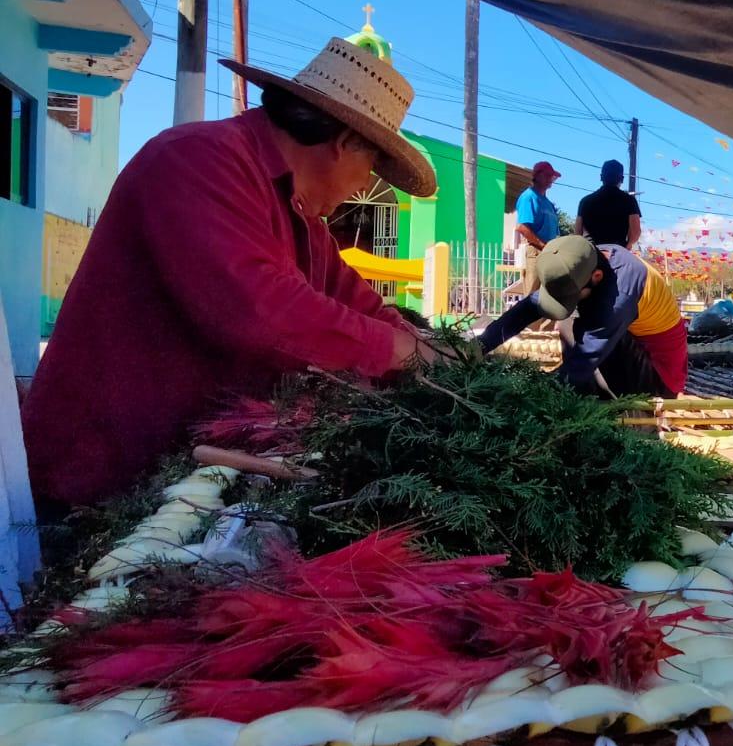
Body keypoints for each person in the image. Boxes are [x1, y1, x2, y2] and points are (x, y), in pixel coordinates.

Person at [22, 38, 440, 508]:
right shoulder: (197, 158)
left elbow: (359, 303)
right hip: (98, 478)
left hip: (180, 479)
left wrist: (434, 354)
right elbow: (262, 311)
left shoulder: (301, 219)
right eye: (372, 167)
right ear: (344, 143)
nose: (367, 185)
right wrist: (401, 350)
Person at [478, 236, 686, 397]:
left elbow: (580, 365)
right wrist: (479, 346)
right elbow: (527, 309)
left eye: (570, 296)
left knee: (574, 327)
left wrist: (532, 394)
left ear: (596, 277)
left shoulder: (618, 298)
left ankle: (603, 398)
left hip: (659, 378)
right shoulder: (586, 259)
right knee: (574, 322)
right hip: (632, 348)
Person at [574, 159, 642, 248]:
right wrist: (628, 245)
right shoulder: (629, 200)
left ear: (601, 177)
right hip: (616, 253)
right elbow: (635, 232)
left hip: (591, 253)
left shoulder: (585, 201)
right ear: (621, 179)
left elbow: (578, 232)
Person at [515, 161, 562, 251]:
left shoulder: (549, 204)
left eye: (552, 176)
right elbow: (522, 227)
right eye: (547, 175)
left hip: (550, 251)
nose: (550, 179)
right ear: (537, 176)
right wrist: (543, 246)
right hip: (536, 250)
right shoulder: (528, 197)